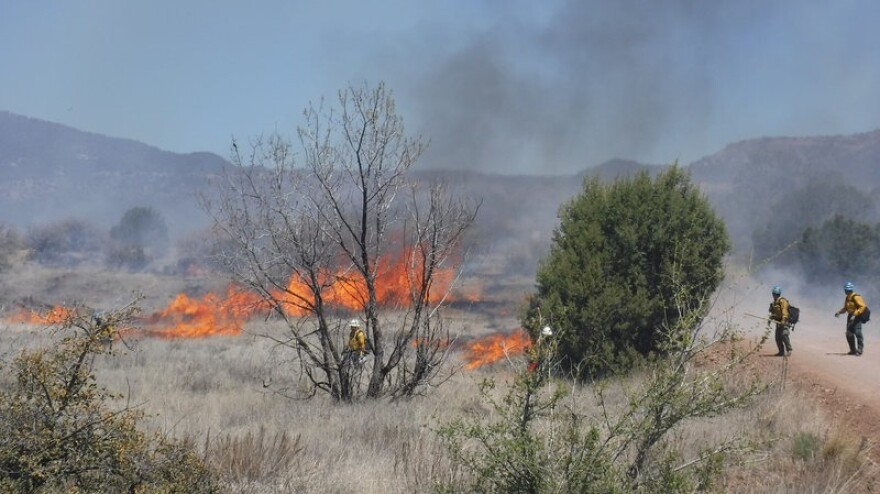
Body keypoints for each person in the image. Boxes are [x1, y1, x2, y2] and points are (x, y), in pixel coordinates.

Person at [834, 281, 869, 356]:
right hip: (850, 316)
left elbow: (863, 306)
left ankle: (859, 350)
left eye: (845, 290)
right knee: (849, 333)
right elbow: (846, 308)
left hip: (857, 316)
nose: (845, 291)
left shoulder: (856, 297)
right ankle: (853, 350)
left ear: (849, 290)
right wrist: (839, 312)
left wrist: (855, 314)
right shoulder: (847, 297)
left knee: (858, 332)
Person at [768, 285, 793, 356]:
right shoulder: (774, 303)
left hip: (785, 322)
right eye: (774, 294)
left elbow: (784, 311)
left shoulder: (782, 301)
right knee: (777, 337)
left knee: (784, 334)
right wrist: (770, 318)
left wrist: (784, 320)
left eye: (776, 294)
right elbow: (774, 313)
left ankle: (789, 350)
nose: (774, 296)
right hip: (778, 322)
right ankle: (781, 352)